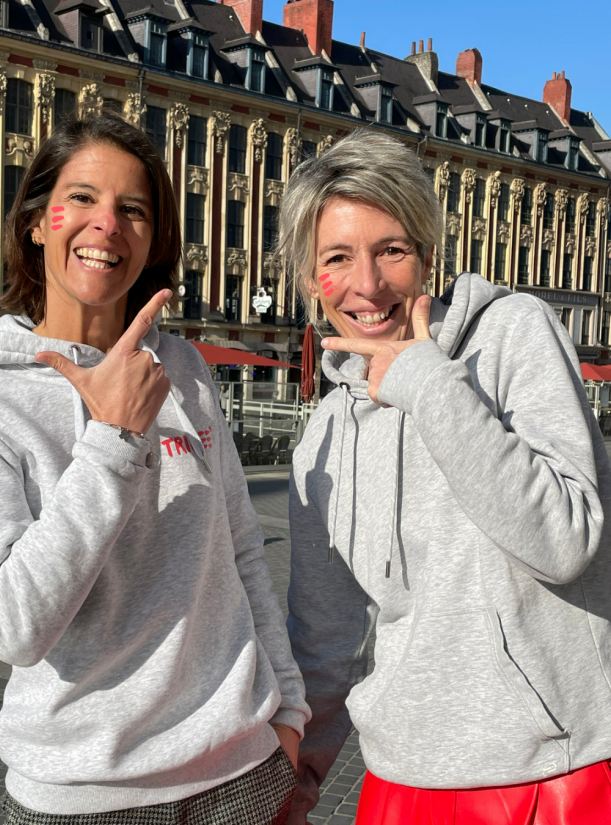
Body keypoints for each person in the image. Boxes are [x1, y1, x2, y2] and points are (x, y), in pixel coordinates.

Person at [0, 113, 309, 825]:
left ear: (152, 240)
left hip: (242, 773)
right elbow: (9, 623)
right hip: (86, 798)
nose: (106, 225)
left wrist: (290, 714)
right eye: (81, 198)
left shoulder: (185, 369)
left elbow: (241, 551)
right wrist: (113, 439)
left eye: (132, 209)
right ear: (35, 222)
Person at [279, 129, 611, 824]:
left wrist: (429, 384)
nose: (367, 284)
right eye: (338, 258)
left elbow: (567, 538)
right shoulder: (324, 435)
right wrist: (301, 773)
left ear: (428, 253)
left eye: (391, 250)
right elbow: (327, 633)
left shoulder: (514, 332)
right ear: (314, 279)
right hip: (404, 777)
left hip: (556, 771)